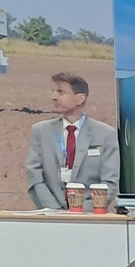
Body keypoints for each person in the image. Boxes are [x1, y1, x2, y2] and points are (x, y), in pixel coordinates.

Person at [25, 72, 120, 210]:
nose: (54, 97)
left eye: (61, 92)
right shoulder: (41, 131)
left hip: (89, 216)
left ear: (80, 99)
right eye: (53, 91)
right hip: (51, 215)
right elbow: (35, 176)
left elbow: (110, 183)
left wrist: (80, 211)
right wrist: (55, 211)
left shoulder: (105, 134)